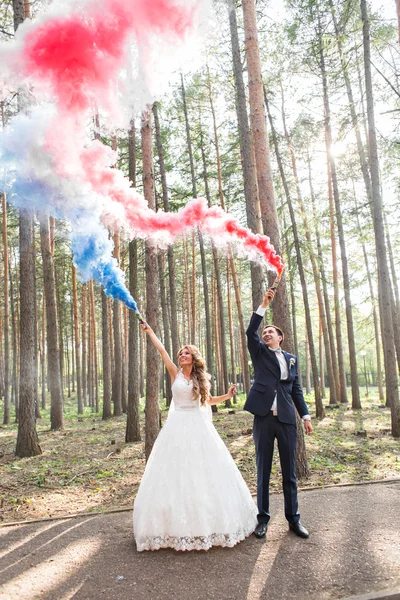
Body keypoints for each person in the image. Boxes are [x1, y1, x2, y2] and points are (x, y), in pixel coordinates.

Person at [133, 322, 257, 552]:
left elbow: (207, 402)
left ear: (194, 357)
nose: (182, 355)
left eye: (186, 352)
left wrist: (227, 396)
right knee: (175, 473)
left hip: (198, 426)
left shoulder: (200, 380)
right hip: (176, 426)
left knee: (203, 471)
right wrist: (150, 331)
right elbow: (162, 352)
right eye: (181, 353)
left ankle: (208, 524)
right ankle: (170, 528)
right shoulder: (174, 373)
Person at [245, 288, 313, 540]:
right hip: (263, 418)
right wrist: (263, 304)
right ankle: (262, 520)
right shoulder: (259, 353)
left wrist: (305, 416)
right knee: (263, 471)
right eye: (265, 332)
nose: (266, 333)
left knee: (290, 473)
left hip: (286, 420)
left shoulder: (292, 360)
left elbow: (296, 391)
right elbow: (250, 332)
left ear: (280, 338)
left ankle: (294, 519)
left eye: (271, 331)